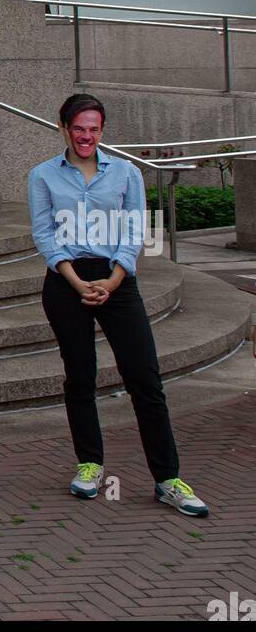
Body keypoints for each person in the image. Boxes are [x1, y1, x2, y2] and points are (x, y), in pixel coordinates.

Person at [27, 93, 208, 517]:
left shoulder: (126, 172)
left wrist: (112, 279)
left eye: (93, 129)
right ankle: (89, 465)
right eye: (78, 129)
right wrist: (75, 281)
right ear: (64, 128)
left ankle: (168, 480)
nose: (86, 136)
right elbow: (44, 235)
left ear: (102, 131)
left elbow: (134, 231)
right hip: (65, 282)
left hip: (118, 281)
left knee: (145, 380)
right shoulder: (43, 176)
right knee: (81, 377)